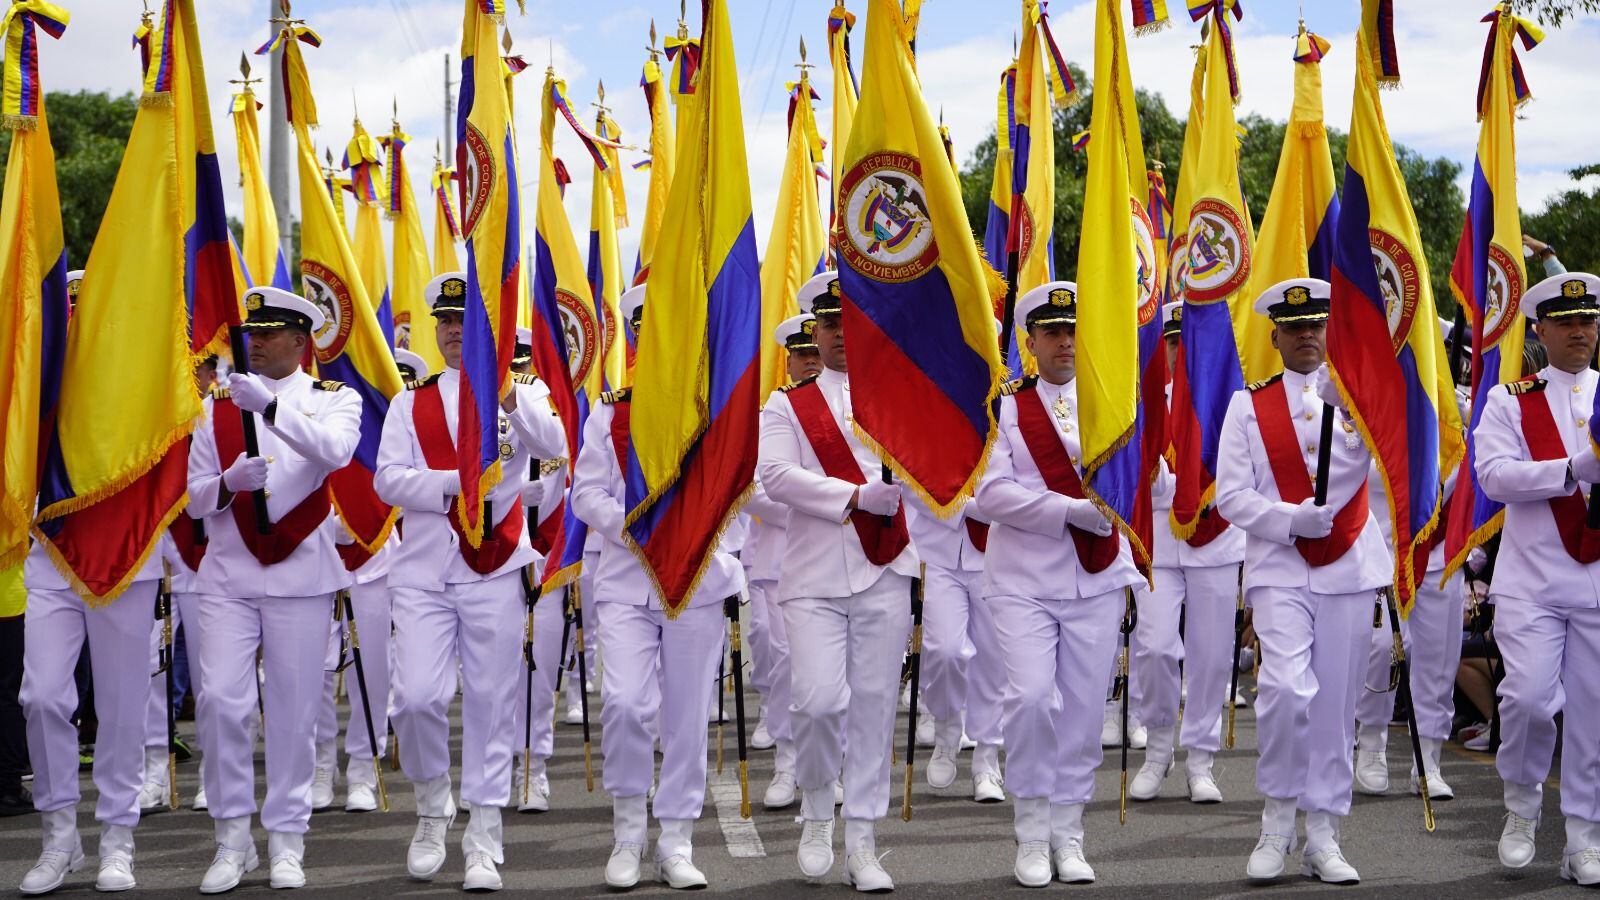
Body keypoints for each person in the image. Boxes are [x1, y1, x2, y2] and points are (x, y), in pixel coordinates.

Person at [374, 272, 566, 891]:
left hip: (497, 563)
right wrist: (456, 484)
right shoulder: (411, 402)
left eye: (466, 322)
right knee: (416, 700)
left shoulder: (519, 391)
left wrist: (510, 396)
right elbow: (388, 481)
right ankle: (434, 804)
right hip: (426, 568)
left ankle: (484, 834)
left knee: (490, 701)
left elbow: (556, 443)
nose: (455, 332)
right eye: (446, 323)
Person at [186, 286, 364, 893]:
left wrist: (270, 410)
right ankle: (232, 839)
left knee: (292, 712)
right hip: (229, 576)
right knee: (221, 704)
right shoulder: (216, 407)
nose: (254, 342)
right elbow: (193, 498)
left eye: (268, 334)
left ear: (300, 341)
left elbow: (336, 453)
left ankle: (287, 838)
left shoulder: (331, 400)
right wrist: (228, 484)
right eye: (251, 333)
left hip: (300, 577)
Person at [1215, 278, 1390, 885]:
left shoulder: (1359, 399)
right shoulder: (1247, 406)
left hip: (1347, 564)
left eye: (1317, 324)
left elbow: (1398, 462)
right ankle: (1276, 819)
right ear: (1276, 336)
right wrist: (1291, 519)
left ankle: (1324, 833)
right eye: (1296, 327)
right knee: (1287, 691)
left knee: (1337, 706)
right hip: (1280, 567)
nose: (1308, 335)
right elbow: (1231, 496)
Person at [570, 283, 745, 890]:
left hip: (696, 578)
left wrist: (703, 538)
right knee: (624, 704)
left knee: (688, 715)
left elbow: (737, 491)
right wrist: (637, 529)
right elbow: (586, 493)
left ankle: (675, 839)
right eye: (645, 328)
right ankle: (626, 833)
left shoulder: (713, 409)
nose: (656, 337)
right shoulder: (612, 409)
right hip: (625, 578)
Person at [975, 282, 1144, 887]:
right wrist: (1066, 510)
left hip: (1094, 578)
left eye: (1073, 330)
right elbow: (988, 493)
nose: (1066, 341)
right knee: (1028, 700)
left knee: (1081, 712)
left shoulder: (1115, 400)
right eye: (1052, 332)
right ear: (1032, 341)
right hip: (1023, 576)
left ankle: (1069, 831)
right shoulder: (1008, 407)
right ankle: (1030, 830)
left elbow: (1144, 474)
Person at [758, 271, 920, 891]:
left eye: (848, 321)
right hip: (815, 575)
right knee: (819, 702)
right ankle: (818, 806)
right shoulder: (787, 403)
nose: (840, 334)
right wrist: (855, 496)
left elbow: (931, 464)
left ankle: (864, 843)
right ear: (814, 331)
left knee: (874, 709)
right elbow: (775, 476)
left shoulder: (900, 392)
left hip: (885, 569)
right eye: (829, 324)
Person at [1473, 272, 1600, 885]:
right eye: (1567, 322)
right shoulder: (1510, 399)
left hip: (1596, 579)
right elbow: (1494, 477)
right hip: (1532, 582)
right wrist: (1573, 469)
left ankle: (1583, 839)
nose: (1581, 331)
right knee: (1525, 701)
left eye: (1590, 321)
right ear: (1542, 330)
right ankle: (1522, 808)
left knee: (1593, 713)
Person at [1132, 300, 1245, 804]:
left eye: (1187, 341)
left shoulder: (1230, 396)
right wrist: (1159, 485)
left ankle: (1200, 757)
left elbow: (1245, 469)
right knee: (1155, 645)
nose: (1180, 351)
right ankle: (1159, 746)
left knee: (1212, 654)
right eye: (1173, 342)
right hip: (1160, 536)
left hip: (1217, 535)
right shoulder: (1145, 398)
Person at [743, 313, 823, 810]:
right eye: (802, 355)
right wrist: (818, 505)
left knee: (830, 672)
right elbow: (750, 489)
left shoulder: (852, 408)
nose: (810, 362)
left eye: (816, 352)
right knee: (780, 661)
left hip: (837, 555)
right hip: (777, 558)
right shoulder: (771, 413)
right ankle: (788, 761)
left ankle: (827, 764)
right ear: (789, 362)